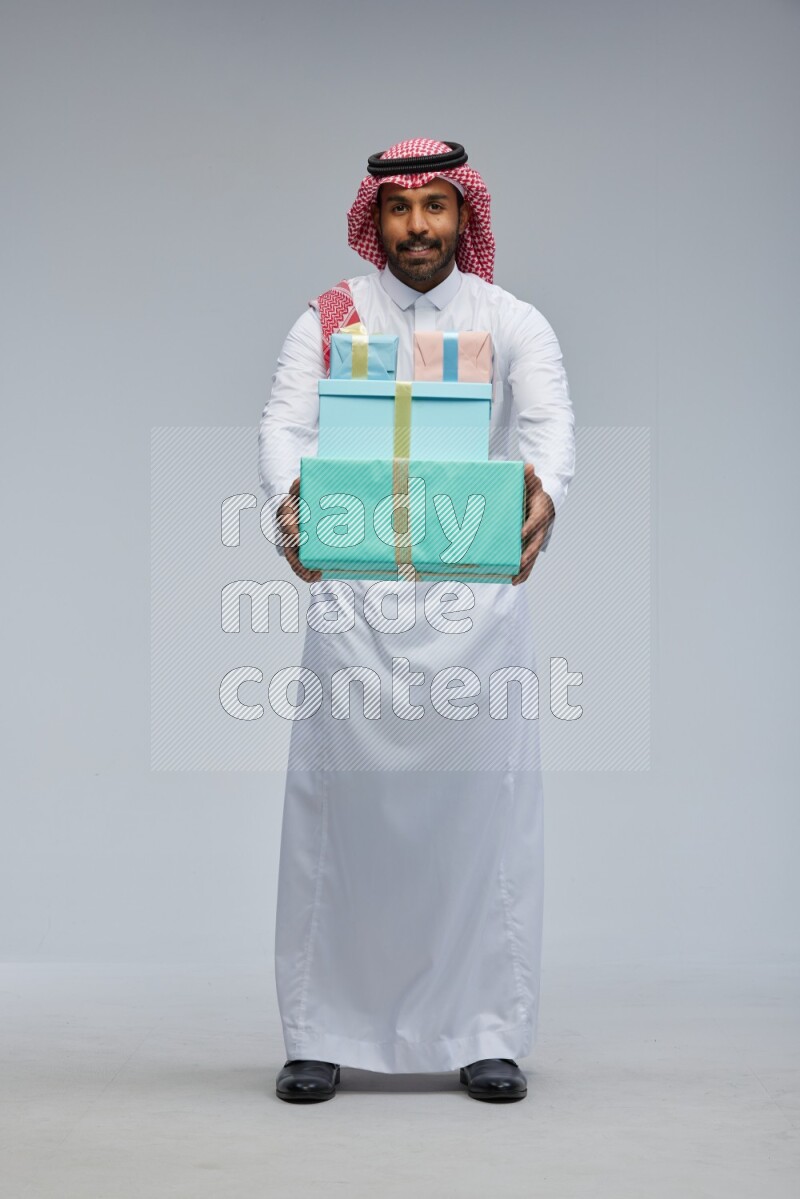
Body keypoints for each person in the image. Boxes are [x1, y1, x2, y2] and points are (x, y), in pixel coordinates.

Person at [257, 138, 575, 1103]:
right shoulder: (329, 318)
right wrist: (285, 500)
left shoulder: (510, 319)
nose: (419, 227)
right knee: (338, 812)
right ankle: (319, 1030)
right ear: (377, 220)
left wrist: (545, 494)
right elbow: (286, 423)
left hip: (471, 598)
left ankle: (487, 1030)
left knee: (480, 813)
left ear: (463, 215)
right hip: (355, 594)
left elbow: (548, 423)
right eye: (401, 210)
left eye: (437, 207)